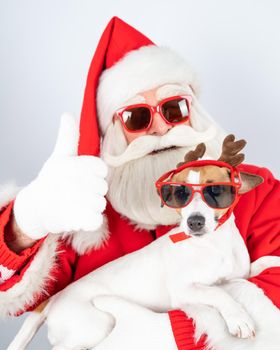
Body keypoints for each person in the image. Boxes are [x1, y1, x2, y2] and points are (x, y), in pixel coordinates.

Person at [0, 17, 279, 350]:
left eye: (174, 108)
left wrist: (172, 334)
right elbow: (19, 302)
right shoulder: (80, 212)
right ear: (113, 135)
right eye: (137, 117)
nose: (160, 128)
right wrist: (26, 223)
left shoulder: (255, 187)